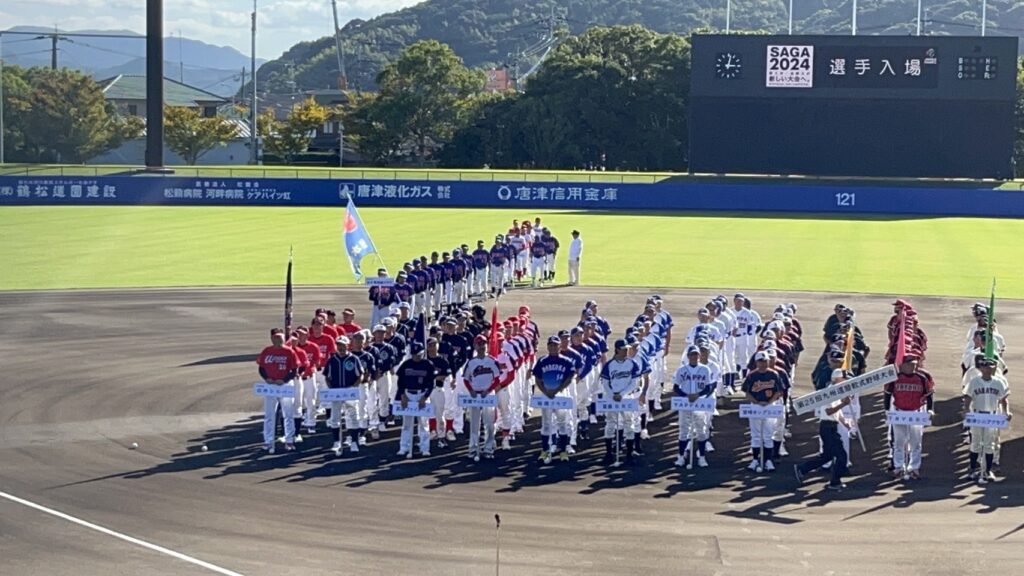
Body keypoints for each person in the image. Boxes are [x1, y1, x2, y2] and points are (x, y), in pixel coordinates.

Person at [795, 373, 853, 491]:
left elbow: (836, 412)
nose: (846, 381)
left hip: (830, 426)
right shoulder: (829, 393)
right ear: (837, 379)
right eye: (844, 379)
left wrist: (844, 422)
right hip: (828, 427)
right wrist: (844, 403)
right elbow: (829, 411)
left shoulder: (835, 392)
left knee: (827, 456)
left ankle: (803, 468)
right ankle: (835, 481)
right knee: (841, 455)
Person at [884, 354, 934, 480]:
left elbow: (929, 395)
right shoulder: (895, 378)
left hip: (916, 412)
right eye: (910, 364)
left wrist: (929, 409)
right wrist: (886, 409)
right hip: (899, 412)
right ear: (903, 365)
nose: (913, 366)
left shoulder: (921, 378)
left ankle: (914, 468)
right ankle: (898, 467)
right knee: (899, 442)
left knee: (916, 442)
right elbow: (887, 394)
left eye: (915, 364)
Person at [963, 358, 1011, 483]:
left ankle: (987, 470)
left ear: (994, 368)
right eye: (985, 367)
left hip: (992, 416)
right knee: (976, 444)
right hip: (977, 415)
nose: (988, 369)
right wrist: (967, 409)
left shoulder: (998, 382)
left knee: (990, 445)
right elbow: (967, 396)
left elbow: (1003, 399)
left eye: (991, 367)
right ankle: (973, 469)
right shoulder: (974, 381)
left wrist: (1006, 412)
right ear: (981, 368)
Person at [533, 336, 578, 464]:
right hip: (546, 395)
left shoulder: (566, 361)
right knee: (546, 424)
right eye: (551, 345)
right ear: (547, 347)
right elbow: (537, 379)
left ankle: (563, 450)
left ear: (560, 347)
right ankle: (545, 450)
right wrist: (545, 391)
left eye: (555, 345)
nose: (553, 347)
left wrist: (557, 389)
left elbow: (570, 378)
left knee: (562, 423)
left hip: (561, 395)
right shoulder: (542, 361)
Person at [599, 339, 643, 466]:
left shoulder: (632, 364)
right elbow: (605, 383)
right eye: (624, 349)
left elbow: (635, 382)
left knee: (629, 424)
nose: (626, 351)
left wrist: (622, 394)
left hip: (627, 398)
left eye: (627, 349)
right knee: (610, 424)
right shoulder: (609, 365)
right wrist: (613, 395)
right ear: (617, 349)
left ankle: (629, 454)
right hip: (612, 398)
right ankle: (608, 454)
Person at [257, 328, 300, 454]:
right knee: (269, 415)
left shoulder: (289, 352)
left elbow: (295, 370)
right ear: (272, 338)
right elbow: (261, 368)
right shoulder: (267, 351)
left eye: (280, 338)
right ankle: (268, 440)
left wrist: (284, 380)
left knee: (288, 414)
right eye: (275, 338)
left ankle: (289, 440)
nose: (278, 340)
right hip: (271, 386)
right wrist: (267, 378)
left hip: (285, 385)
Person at [741, 351, 784, 473]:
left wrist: (769, 402)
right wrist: (757, 402)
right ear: (756, 362)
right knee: (755, 434)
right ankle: (755, 459)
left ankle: (767, 460)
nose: (763, 364)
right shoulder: (752, 375)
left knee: (768, 435)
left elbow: (778, 391)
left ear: (769, 361)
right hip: (755, 406)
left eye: (765, 361)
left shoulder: (774, 374)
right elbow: (747, 393)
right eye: (760, 361)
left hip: (770, 406)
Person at [322, 335, 364, 456]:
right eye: (338, 345)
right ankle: (336, 442)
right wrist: (331, 388)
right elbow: (327, 377)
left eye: (343, 345)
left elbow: (360, 375)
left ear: (347, 345)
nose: (340, 347)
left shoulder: (354, 359)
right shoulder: (331, 360)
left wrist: (354, 386)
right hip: (336, 392)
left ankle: (354, 442)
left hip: (349, 392)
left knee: (353, 417)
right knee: (335, 418)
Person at [672, 345, 713, 468]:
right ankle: (680, 456)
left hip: (700, 403)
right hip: (685, 404)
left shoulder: (705, 369)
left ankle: (701, 456)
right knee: (683, 431)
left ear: (699, 356)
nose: (694, 357)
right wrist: (686, 396)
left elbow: (708, 387)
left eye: (696, 354)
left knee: (702, 431)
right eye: (692, 354)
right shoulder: (681, 370)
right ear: (688, 356)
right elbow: (675, 387)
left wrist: (697, 395)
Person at [462, 335, 502, 461]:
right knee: (474, 424)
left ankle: (488, 448)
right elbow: (466, 379)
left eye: (484, 343)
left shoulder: (492, 360)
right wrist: (471, 390)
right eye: (479, 344)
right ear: (475, 346)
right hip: (475, 395)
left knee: (489, 424)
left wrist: (489, 390)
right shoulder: (471, 362)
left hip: (487, 395)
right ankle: (473, 449)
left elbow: (497, 379)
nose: (482, 346)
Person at [395, 342, 436, 459]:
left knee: (423, 423)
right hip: (408, 394)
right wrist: (402, 395)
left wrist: (425, 397)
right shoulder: (406, 364)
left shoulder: (428, 364)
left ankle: (425, 448)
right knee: (406, 424)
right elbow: (400, 382)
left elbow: (431, 384)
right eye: (414, 354)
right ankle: (404, 447)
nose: (416, 356)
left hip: (422, 394)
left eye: (418, 354)